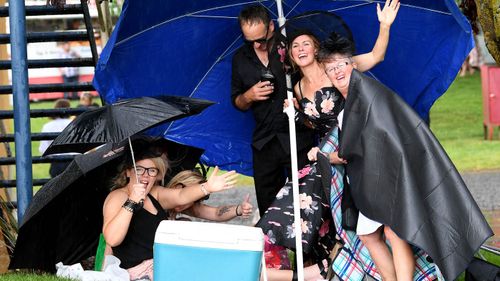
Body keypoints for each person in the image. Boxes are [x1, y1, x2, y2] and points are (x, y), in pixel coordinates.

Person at [318, 33, 492, 281]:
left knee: (394, 231)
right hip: (369, 182)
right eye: (330, 68)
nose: (336, 72)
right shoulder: (349, 105)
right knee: (368, 235)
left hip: (391, 177)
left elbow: (375, 142)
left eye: (340, 65)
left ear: (353, 65)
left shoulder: (370, 94)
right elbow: (362, 145)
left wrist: (335, 156)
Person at [257, 1, 405, 279]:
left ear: (315, 48)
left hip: (354, 137)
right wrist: (296, 116)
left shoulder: (335, 68)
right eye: (294, 47)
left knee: (365, 213)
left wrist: (384, 26)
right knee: (302, 189)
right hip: (327, 146)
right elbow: (315, 123)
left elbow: (376, 56)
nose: (300, 50)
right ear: (289, 55)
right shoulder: (297, 87)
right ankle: (288, 241)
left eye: (305, 44)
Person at [231, 5, 315, 216]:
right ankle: (276, 248)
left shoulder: (291, 46)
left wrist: (299, 101)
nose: (257, 45)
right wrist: (248, 96)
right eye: (249, 41)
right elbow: (237, 103)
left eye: (261, 39)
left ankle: (311, 249)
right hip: (264, 142)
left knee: (309, 202)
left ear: (271, 26)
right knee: (269, 210)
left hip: (299, 136)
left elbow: (315, 79)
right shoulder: (240, 58)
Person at [102, 149, 237, 281]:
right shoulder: (117, 197)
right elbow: (112, 239)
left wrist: (207, 187)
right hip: (137, 273)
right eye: (139, 169)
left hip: (164, 265)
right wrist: (131, 201)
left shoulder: (155, 193)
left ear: (157, 175)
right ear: (128, 172)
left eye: (152, 170)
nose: (145, 175)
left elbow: (181, 195)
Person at [165, 170, 253, 221]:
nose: (188, 202)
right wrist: (207, 187)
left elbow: (216, 213)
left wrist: (239, 209)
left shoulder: (189, 205)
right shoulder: (157, 195)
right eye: (189, 195)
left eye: (195, 200)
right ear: (177, 186)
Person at [39, 98, 73, 178]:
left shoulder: (47, 126)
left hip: (56, 163)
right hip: (75, 161)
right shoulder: (74, 124)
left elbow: (43, 149)